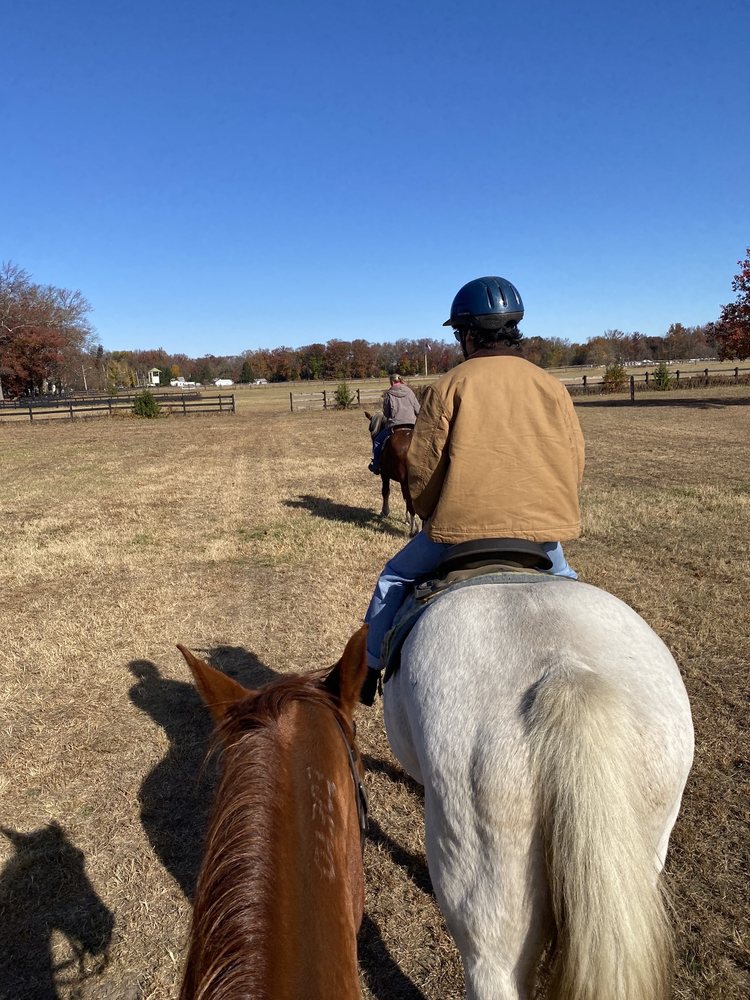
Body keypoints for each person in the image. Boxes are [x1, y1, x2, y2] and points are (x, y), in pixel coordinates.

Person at [361, 275, 585, 705]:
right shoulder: (552, 386)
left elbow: (421, 470)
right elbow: (574, 460)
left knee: (392, 578)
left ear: (466, 334)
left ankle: (367, 670)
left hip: (459, 533)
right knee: (571, 583)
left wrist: (429, 511)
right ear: (513, 329)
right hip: (540, 534)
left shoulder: (449, 385)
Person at [368, 373, 421, 474]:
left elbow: (387, 413)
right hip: (411, 425)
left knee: (378, 442)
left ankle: (376, 466)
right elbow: (418, 410)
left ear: (392, 382)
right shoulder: (409, 391)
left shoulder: (389, 393)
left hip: (395, 426)